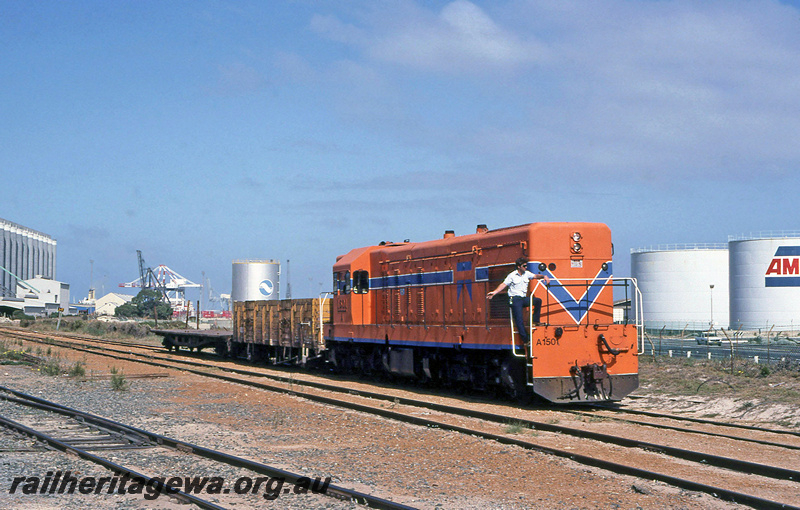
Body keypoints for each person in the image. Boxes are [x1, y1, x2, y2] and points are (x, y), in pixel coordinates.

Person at [487, 257, 549, 349]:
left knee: (537, 301)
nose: (526, 267)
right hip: (514, 299)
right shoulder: (512, 275)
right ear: (519, 267)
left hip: (522, 299)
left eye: (526, 265)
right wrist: (494, 292)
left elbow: (535, 276)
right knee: (519, 320)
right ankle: (526, 340)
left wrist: (544, 276)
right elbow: (503, 284)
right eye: (524, 266)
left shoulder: (526, 274)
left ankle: (535, 321)